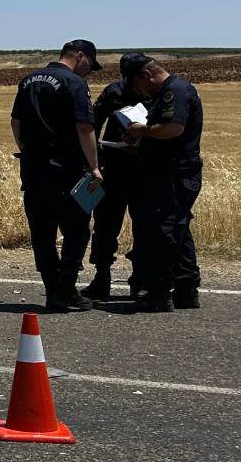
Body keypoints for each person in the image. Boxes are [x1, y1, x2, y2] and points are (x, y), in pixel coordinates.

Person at [10, 40, 104, 311]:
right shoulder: (74, 83)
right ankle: (65, 288)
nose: (88, 72)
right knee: (77, 228)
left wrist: (26, 151)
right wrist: (95, 166)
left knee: (42, 231)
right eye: (89, 65)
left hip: (33, 168)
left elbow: (15, 121)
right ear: (80, 56)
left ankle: (53, 288)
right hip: (67, 168)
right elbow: (84, 126)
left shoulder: (28, 80)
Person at [122, 54, 204, 312]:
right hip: (169, 173)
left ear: (146, 75)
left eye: (138, 85)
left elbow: (173, 128)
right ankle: (186, 289)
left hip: (174, 175)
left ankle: (159, 292)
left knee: (165, 232)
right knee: (178, 230)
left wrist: (142, 131)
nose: (139, 91)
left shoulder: (175, 91)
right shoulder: (168, 92)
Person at [81, 53, 147, 299]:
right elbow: (93, 124)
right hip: (114, 166)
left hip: (142, 168)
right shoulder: (113, 92)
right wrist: (93, 160)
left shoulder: (153, 92)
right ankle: (102, 277)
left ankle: (140, 280)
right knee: (106, 225)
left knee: (143, 225)